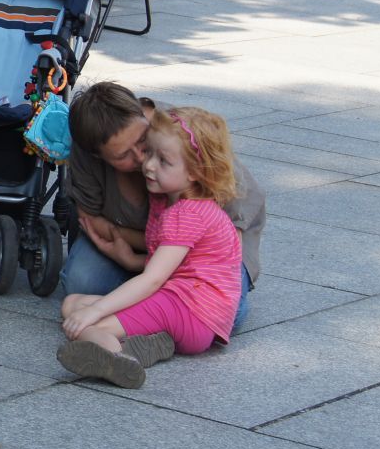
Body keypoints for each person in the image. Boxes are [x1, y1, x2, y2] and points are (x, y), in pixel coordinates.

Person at [58, 105, 244, 389]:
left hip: (190, 309)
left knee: (87, 326)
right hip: (184, 307)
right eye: (151, 153)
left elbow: (154, 278)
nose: (148, 165)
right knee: (71, 305)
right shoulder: (167, 200)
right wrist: (130, 260)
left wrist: (95, 313)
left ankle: (115, 357)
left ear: (195, 172)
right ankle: (148, 345)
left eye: (164, 161)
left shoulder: (188, 212)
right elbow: (163, 258)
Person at [63, 83, 262, 334]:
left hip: (209, 256)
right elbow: (91, 221)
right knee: (82, 282)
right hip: (153, 251)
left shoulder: (179, 133)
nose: (141, 160)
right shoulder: (87, 154)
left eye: (143, 143)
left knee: (224, 315)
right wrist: (130, 258)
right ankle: (154, 311)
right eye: (123, 155)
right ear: (98, 156)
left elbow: (237, 207)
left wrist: (140, 260)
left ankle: (155, 313)